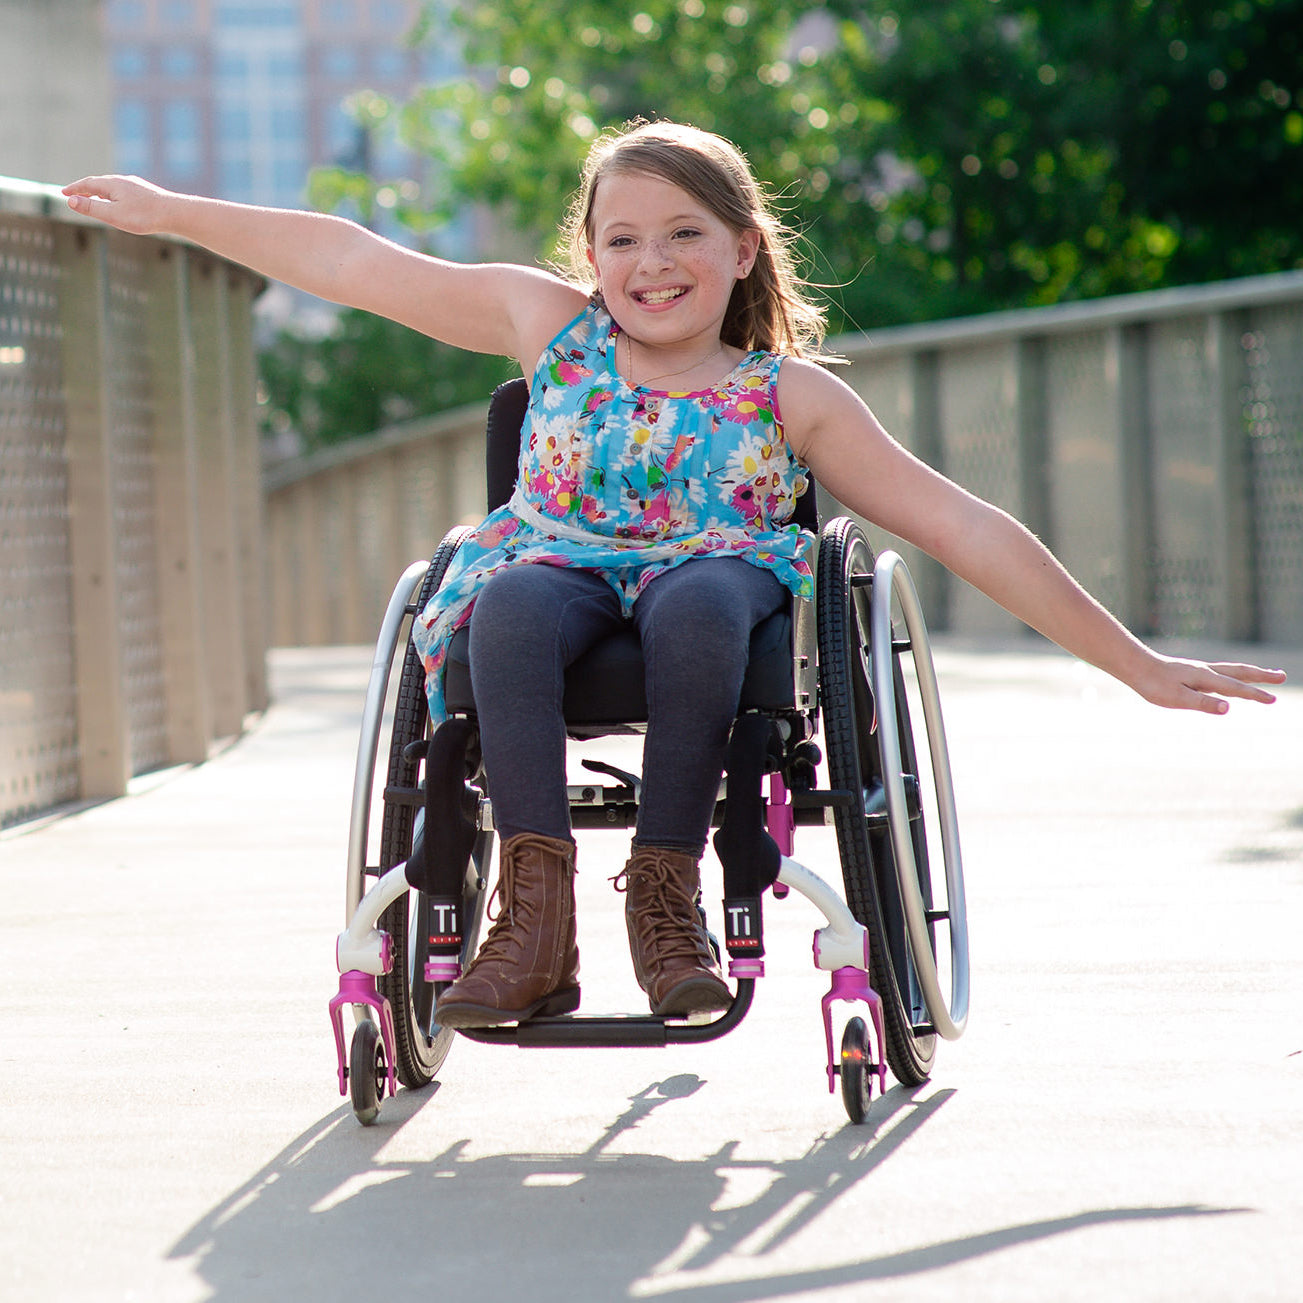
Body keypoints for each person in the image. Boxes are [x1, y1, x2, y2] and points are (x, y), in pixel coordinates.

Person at [64, 120, 1285, 1031]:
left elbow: (962, 523)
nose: (652, 263)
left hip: (715, 584)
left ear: (744, 248)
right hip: (554, 565)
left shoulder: (789, 395)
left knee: (701, 599)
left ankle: (666, 893)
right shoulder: (550, 331)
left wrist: (1131, 663)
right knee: (506, 599)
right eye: (622, 240)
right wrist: (173, 212)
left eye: (685, 234)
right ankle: (534, 912)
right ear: (589, 257)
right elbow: (353, 258)